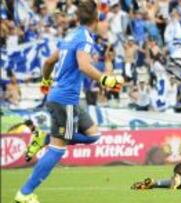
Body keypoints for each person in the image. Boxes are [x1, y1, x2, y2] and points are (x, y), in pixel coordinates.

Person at [14, 1, 124, 203]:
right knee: (59, 148)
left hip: (59, 96)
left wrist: (46, 81)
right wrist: (105, 79)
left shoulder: (70, 35)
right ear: (96, 17)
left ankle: (44, 138)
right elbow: (83, 65)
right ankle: (25, 194)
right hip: (66, 100)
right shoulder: (85, 38)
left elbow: (48, 62)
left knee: (94, 135)